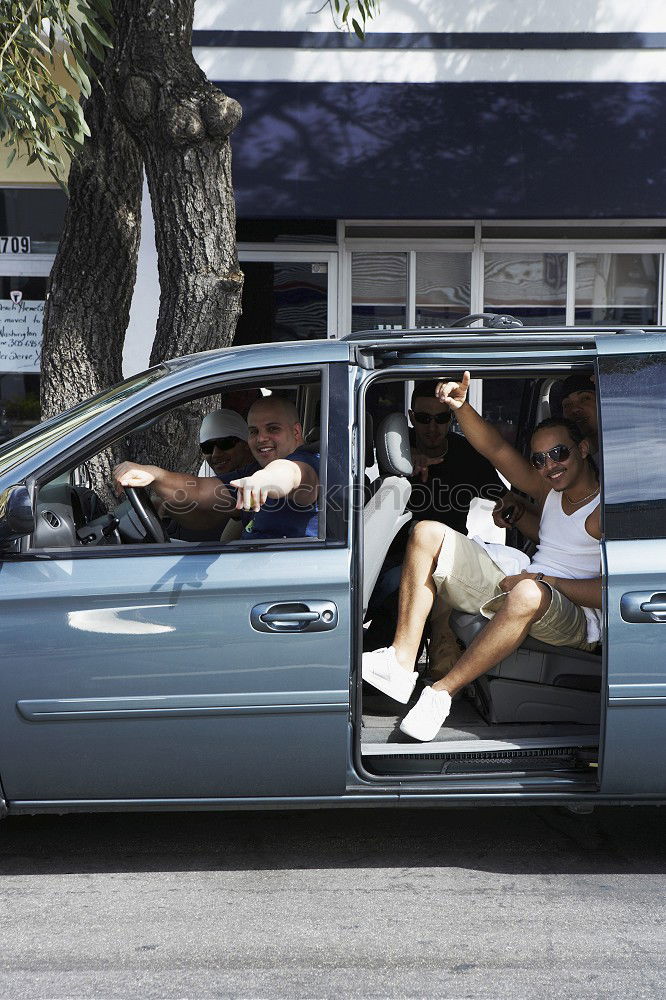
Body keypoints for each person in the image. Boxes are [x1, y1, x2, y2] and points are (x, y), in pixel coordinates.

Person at [363, 371, 601, 742]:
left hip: (575, 615)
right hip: (529, 581)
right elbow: (496, 449)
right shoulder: (550, 488)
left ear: (582, 450)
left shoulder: (606, 510)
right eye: (539, 460)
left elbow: (615, 592)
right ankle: (400, 660)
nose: (550, 465)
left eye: (559, 454)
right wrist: (461, 407)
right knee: (426, 532)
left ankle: (440, 694)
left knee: (527, 593)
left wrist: (543, 582)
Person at [365, 380, 504, 678]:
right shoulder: (399, 454)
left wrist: (510, 512)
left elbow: (504, 498)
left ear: (451, 419)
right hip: (398, 561)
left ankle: (438, 665)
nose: (432, 427)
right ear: (411, 416)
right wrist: (406, 467)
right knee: (395, 589)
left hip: (449, 560)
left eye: (441, 418)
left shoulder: (466, 454)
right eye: (423, 418)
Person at [113, 395, 319, 540]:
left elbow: (289, 475)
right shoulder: (253, 471)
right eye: (254, 431)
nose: (262, 438)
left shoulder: (308, 464)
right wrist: (155, 474)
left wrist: (262, 482)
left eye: (273, 429)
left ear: (296, 432)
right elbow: (199, 490)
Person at [492, 370, 599, 536]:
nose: (575, 409)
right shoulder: (553, 474)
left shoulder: (624, 457)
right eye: (567, 405)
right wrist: (518, 507)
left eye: (585, 398)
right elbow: (558, 529)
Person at [198, 408, 252, 478]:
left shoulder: (265, 476)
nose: (215, 454)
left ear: (246, 443)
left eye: (224, 444)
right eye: (207, 447)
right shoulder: (206, 475)